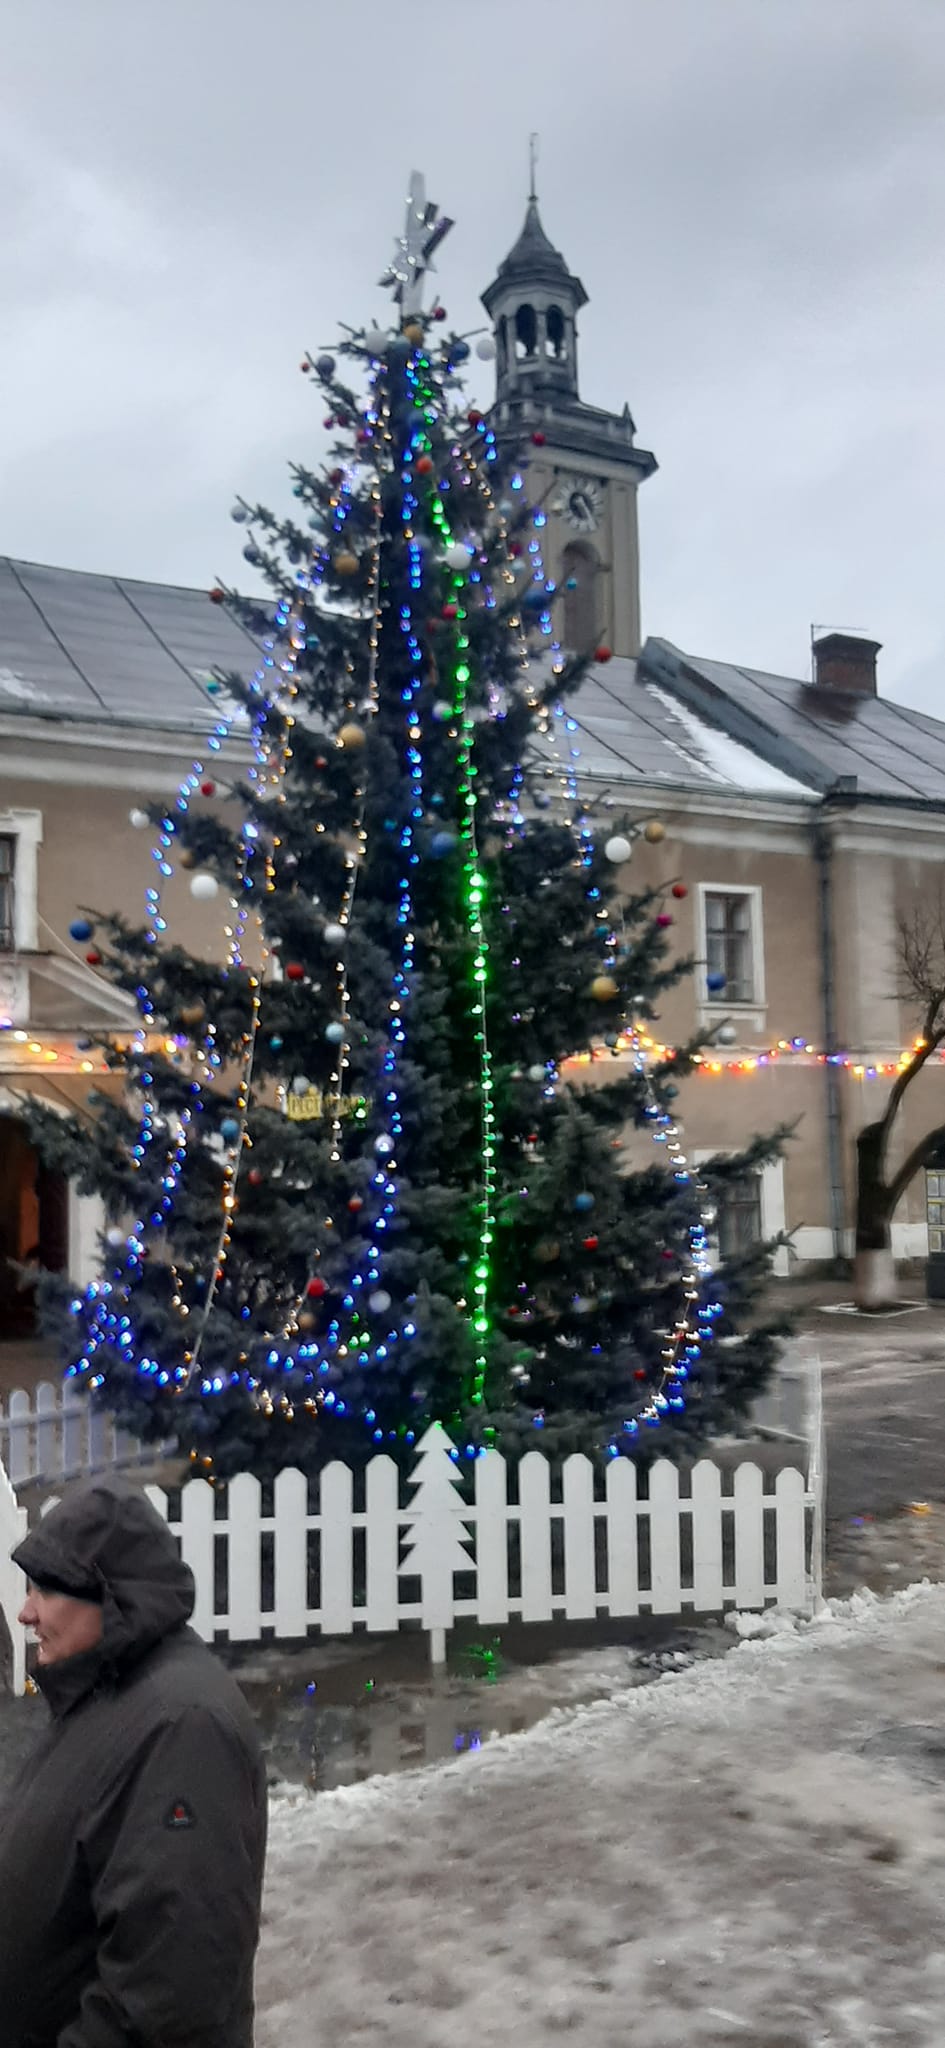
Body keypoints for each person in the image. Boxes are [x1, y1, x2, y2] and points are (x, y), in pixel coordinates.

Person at [0, 1476, 268, 2048]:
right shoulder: (106, 1695)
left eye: (46, 1591)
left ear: (111, 1596)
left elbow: (171, 1991)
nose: (26, 1612)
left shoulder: (183, 1728)